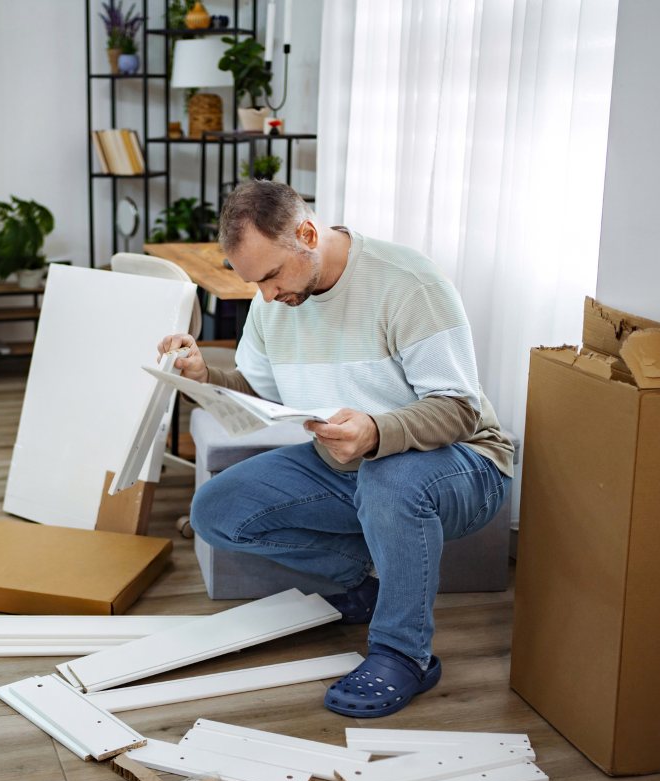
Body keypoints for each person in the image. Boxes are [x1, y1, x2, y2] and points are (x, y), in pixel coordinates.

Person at [158, 181, 514, 719]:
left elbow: (458, 410)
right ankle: (374, 582)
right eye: (257, 283)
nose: (269, 296)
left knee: (389, 479)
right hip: (346, 464)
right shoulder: (272, 300)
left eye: (273, 275)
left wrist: (375, 430)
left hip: (462, 464)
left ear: (306, 233)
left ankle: (403, 653)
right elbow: (260, 387)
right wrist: (205, 373)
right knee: (216, 511)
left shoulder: (407, 283)